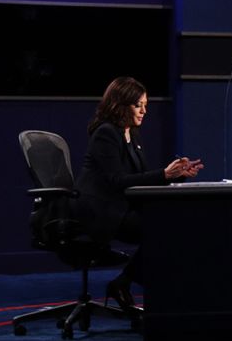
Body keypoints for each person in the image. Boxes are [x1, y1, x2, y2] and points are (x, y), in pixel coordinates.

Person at [75, 76, 202, 312]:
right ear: (120, 105)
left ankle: (124, 283)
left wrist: (177, 174)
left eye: (145, 105)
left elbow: (141, 177)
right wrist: (165, 175)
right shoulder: (106, 133)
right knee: (163, 229)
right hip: (103, 212)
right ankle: (127, 285)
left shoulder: (131, 134)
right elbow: (117, 182)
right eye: (138, 105)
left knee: (175, 224)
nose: (144, 111)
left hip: (122, 207)